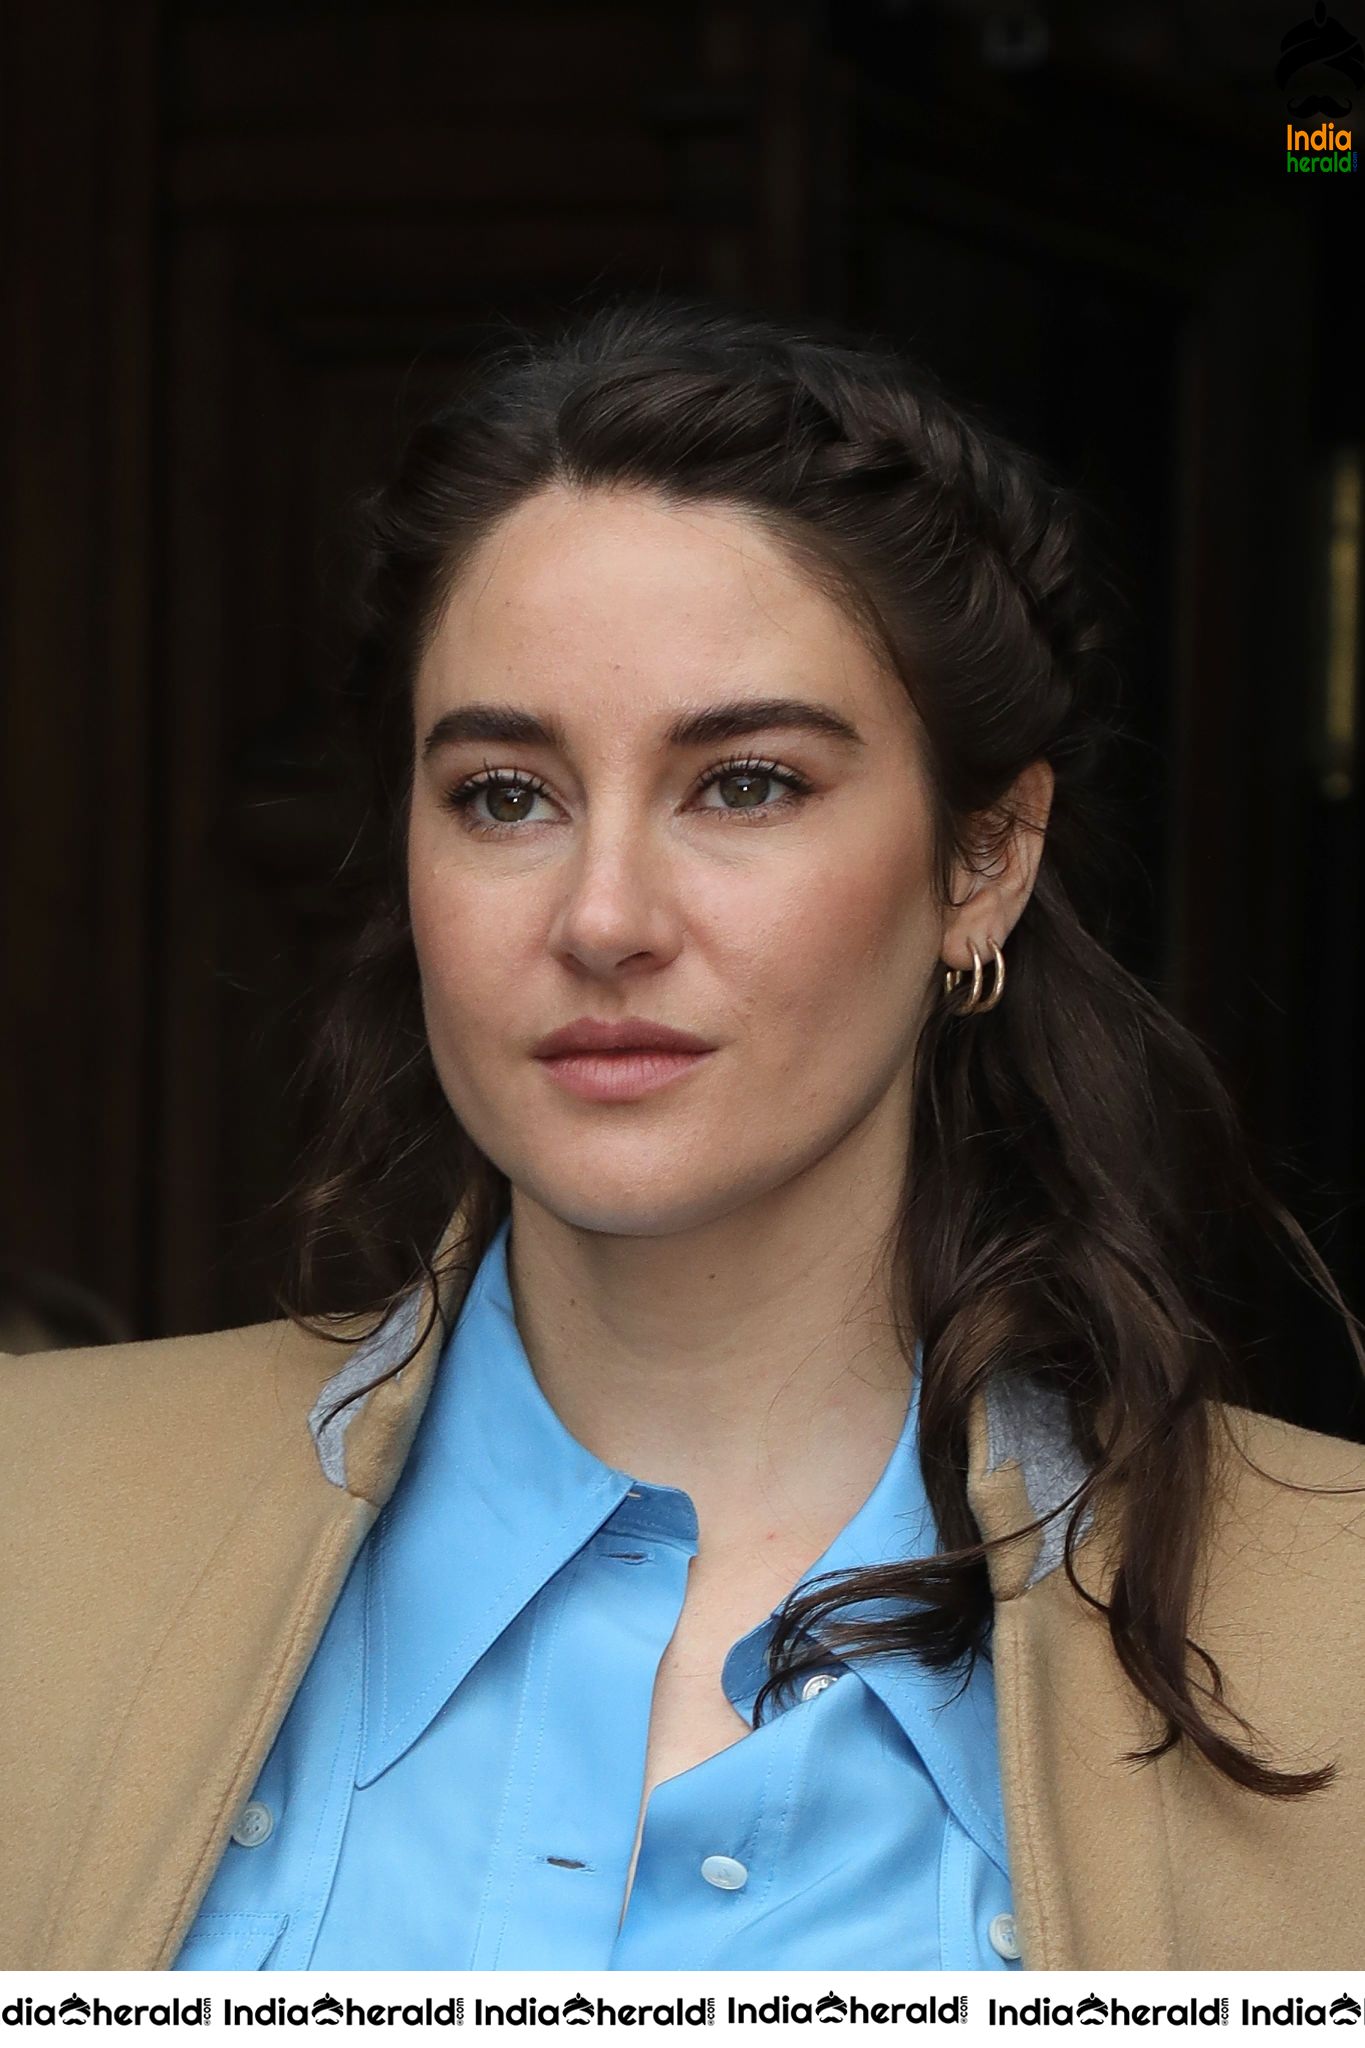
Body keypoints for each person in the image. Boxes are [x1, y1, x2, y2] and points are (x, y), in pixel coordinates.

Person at [4, 293, 1363, 1975]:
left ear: (981, 860)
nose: (604, 915)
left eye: (746, 784)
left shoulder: (1333, 1634)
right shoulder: (29, 1522)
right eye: (507, 795)